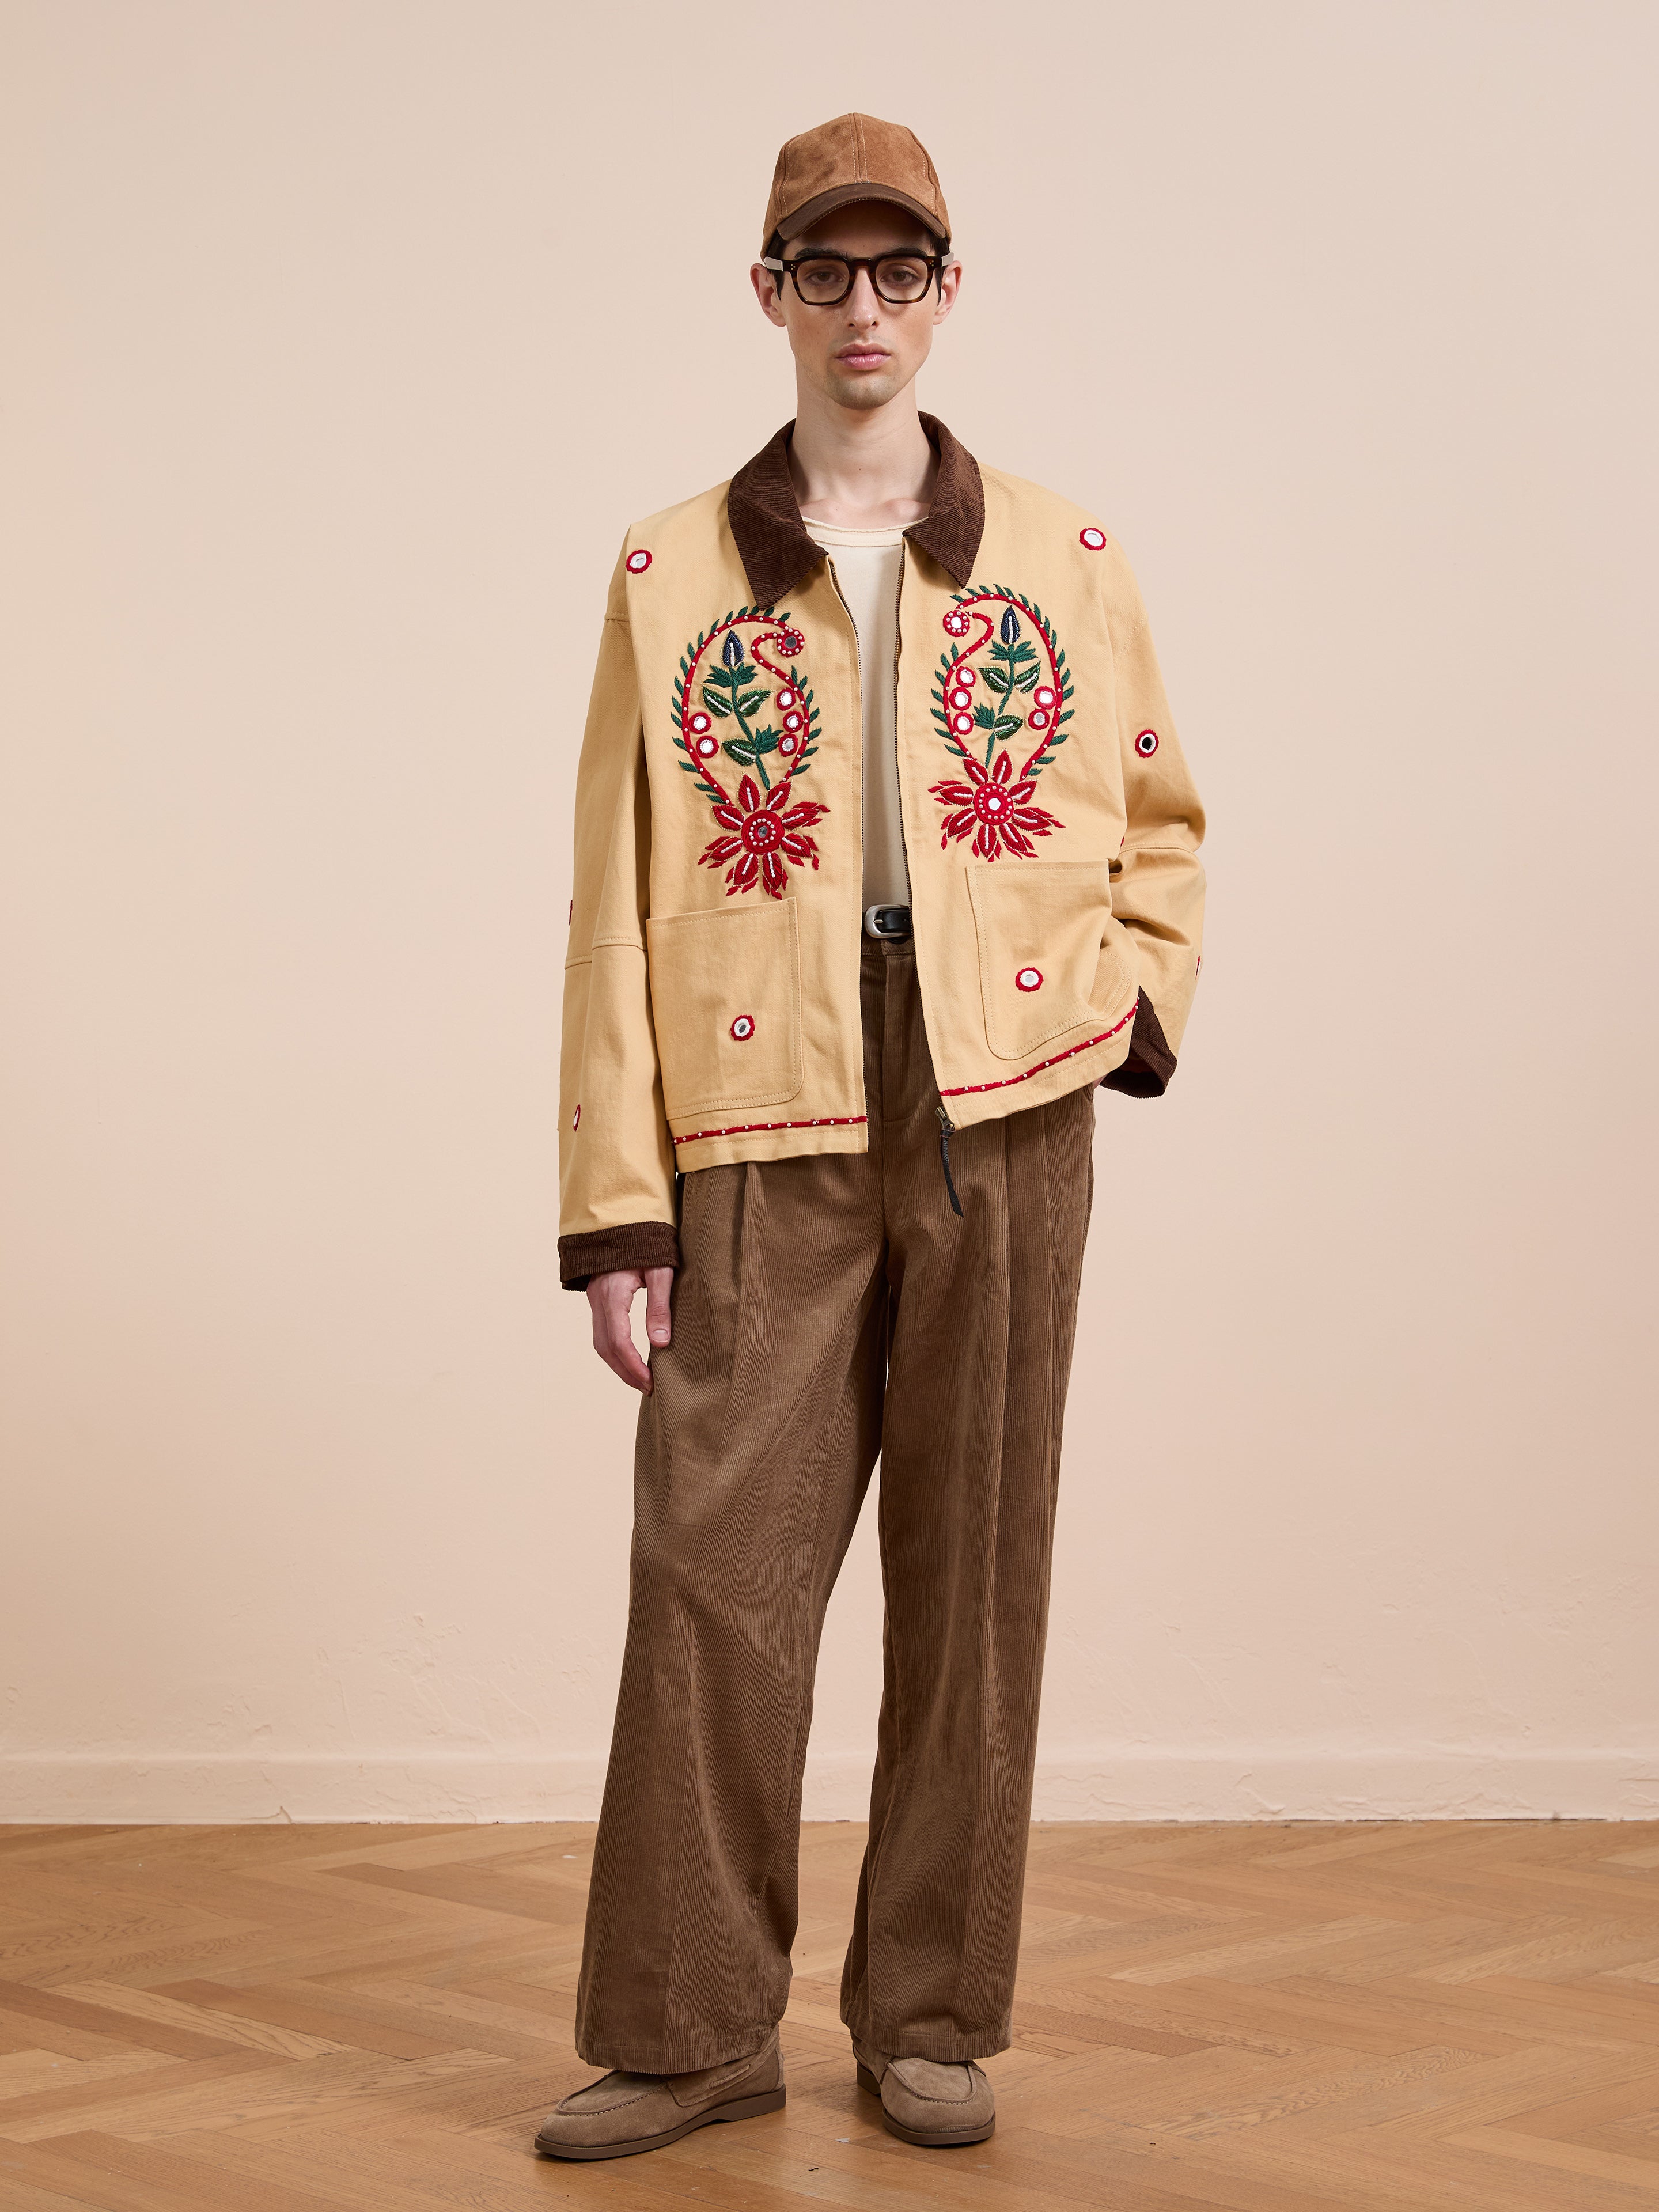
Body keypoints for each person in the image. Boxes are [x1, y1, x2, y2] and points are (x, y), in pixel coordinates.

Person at [535, 112, 1206, 2163]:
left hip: (1006, 1095)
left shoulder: (1066, 554)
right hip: (761, 1097)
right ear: (769, 293)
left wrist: (1125, 1011)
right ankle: (688, 2029)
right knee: (711, 1573)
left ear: (946, 292)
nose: (862, 310)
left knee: (976, 1574)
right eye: (823, 272)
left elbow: (1162, 820)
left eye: (897, 272)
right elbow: (610, 898)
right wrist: (617, 1208)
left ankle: (928, 2012)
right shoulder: (670, 571)